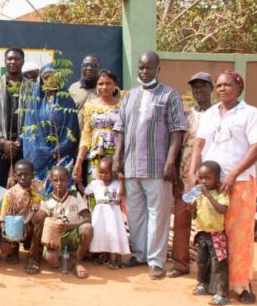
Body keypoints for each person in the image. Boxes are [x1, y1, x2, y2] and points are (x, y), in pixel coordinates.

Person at [191, 71, 257, 304]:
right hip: (210, 184)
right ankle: (214, 282)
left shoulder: (250, 113)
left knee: (239, 235)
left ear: (239, 88)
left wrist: (233, 174)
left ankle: (242, 284)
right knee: (212, 233)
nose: (222, 88)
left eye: (228, 85)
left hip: (240, 182)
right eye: (219, 85)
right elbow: (199, 145)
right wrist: (194, 171)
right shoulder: (210, 114)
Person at [113, 51, 186, 279]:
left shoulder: (169, 95)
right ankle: (140, 254)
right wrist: (117, 157)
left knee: (158, 215)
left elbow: (177, 131)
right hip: (132, 165)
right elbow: (121, 128)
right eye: (141, 67)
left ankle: (156, 261)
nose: (144, 71)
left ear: (158, 69)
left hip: (158, 166)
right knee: (135, 214)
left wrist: (171, 161)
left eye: (149, 67)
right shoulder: (130, 96)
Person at [168, 71, 214, 278]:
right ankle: (180, 263)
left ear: (211, 88)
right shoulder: (186, 115)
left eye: (203, 86)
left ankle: (214, 266)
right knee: (182, 216)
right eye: (195, 87)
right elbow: (177, 145)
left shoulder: (219, 114)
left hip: (213, 176)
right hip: (186, 175)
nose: (199, 90)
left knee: (213, 220)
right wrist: (177, 174)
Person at [22, 64, 79, 195]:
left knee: (61, 193)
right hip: (39, 157)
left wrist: (56, 151)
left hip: (61, 156)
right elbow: (30, 131)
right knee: (40, 197)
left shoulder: (67, 101)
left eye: (54, 77)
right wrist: (42, 152)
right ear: (41, 80)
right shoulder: (34, 101)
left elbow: (71, 129)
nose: (51, 80)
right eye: (47, 77)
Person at [0, 48, 33, 188]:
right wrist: (2, 141)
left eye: (17, 59)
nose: (13, 62)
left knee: (24, 185)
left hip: (22, 146)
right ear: (5, 61)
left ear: (22, 62)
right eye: (9, 59)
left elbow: (33, 118)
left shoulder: (31, 88)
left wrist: (19, 141)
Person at [188, 160, 230, 306]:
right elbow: (192, 213)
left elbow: (222, 209)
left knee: (219, 265)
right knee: (201, 262)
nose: (203, 181)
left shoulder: (221, 193)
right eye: (201, 178)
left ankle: (222, 293)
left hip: (216, 235)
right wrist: (191, 205)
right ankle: (202, 285)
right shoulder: (198, 194)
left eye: (207, 178)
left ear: (217, 178)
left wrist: (208, 196)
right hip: (201, 233)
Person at [39, 166, 94, 278]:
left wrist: (70, 226)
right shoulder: (46, 199)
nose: (59, 183)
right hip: (56, 237)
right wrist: (49, 241)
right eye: (55, 180)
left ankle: (77, 261)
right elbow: (43, 222)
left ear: (68, 180)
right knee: (52, 260)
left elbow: (87, 218)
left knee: (88, 228)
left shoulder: (75, 195)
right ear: (50, 181)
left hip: (73, 233)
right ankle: (64, 258)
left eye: (62, 180)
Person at [78, 157, 129, 269]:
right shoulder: (96, 183)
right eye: (101, 172)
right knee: (102, 233)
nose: (103, 175)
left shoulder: (116, 183)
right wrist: (79, 182)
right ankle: (104, 256)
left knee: (115, 233)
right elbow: (85, 191)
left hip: (113, 213)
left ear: (113, 172)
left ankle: (117, 258)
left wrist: (121, 180)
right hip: (99, 214)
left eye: (106, 172)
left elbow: (122, 193)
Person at [73, 70, 121, 185]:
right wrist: (79, 161)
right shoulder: (89, 106)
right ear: (96, 85)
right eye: (100, 84)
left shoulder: (123, 105)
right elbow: (86, 135)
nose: (104, 87)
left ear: (115, 85)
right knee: (96, 193)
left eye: (108, 83)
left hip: (117, 158)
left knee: (116, 194)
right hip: (96, 159)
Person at [0, 160, 42, 266]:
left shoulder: (39, 188)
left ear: (33, 174)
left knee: (41, 216)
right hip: (16, 228)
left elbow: (37, 208)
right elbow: (3, 214)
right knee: (5, 247)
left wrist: (25, 222)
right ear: (15, 176)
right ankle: (14, 250)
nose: (23, 177)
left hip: (31, 226)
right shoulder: (10, 193)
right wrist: (4, 231)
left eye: (26, 174)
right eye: (20, 175)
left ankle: (33, 255)